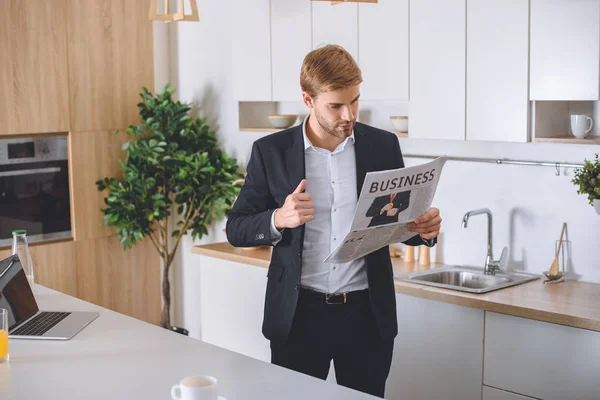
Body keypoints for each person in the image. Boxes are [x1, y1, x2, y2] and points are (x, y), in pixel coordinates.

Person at [226, 45, 442, 398]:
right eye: (336, 105)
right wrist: (279, 218)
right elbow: (236, 228)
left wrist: (424, 231)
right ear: (308, 100)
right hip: (298, 315)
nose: (349, 114)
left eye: (355, 101)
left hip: (366, 316)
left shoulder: (382, 145)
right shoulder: (270, 152)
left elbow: (398, 219)